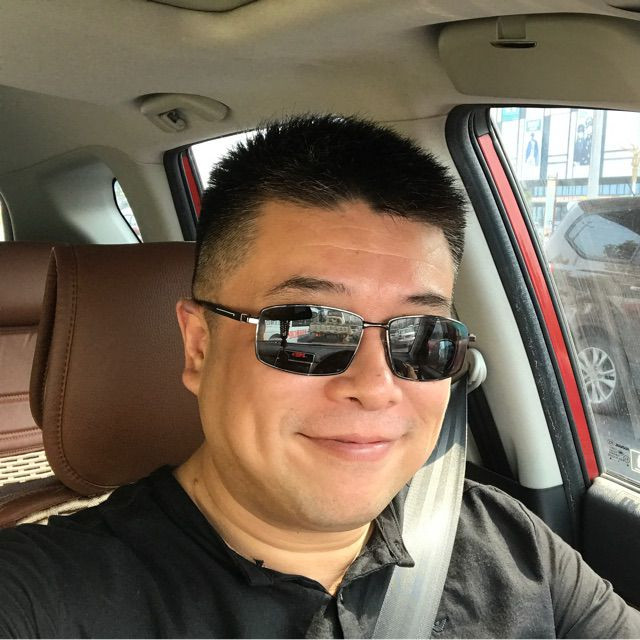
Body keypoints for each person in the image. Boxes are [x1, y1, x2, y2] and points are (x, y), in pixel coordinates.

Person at [0, 114, 639, 638]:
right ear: (199, 348)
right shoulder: (46, 596)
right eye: (307, 329)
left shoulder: (514, 544)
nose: (376, 386)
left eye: (421, 337)